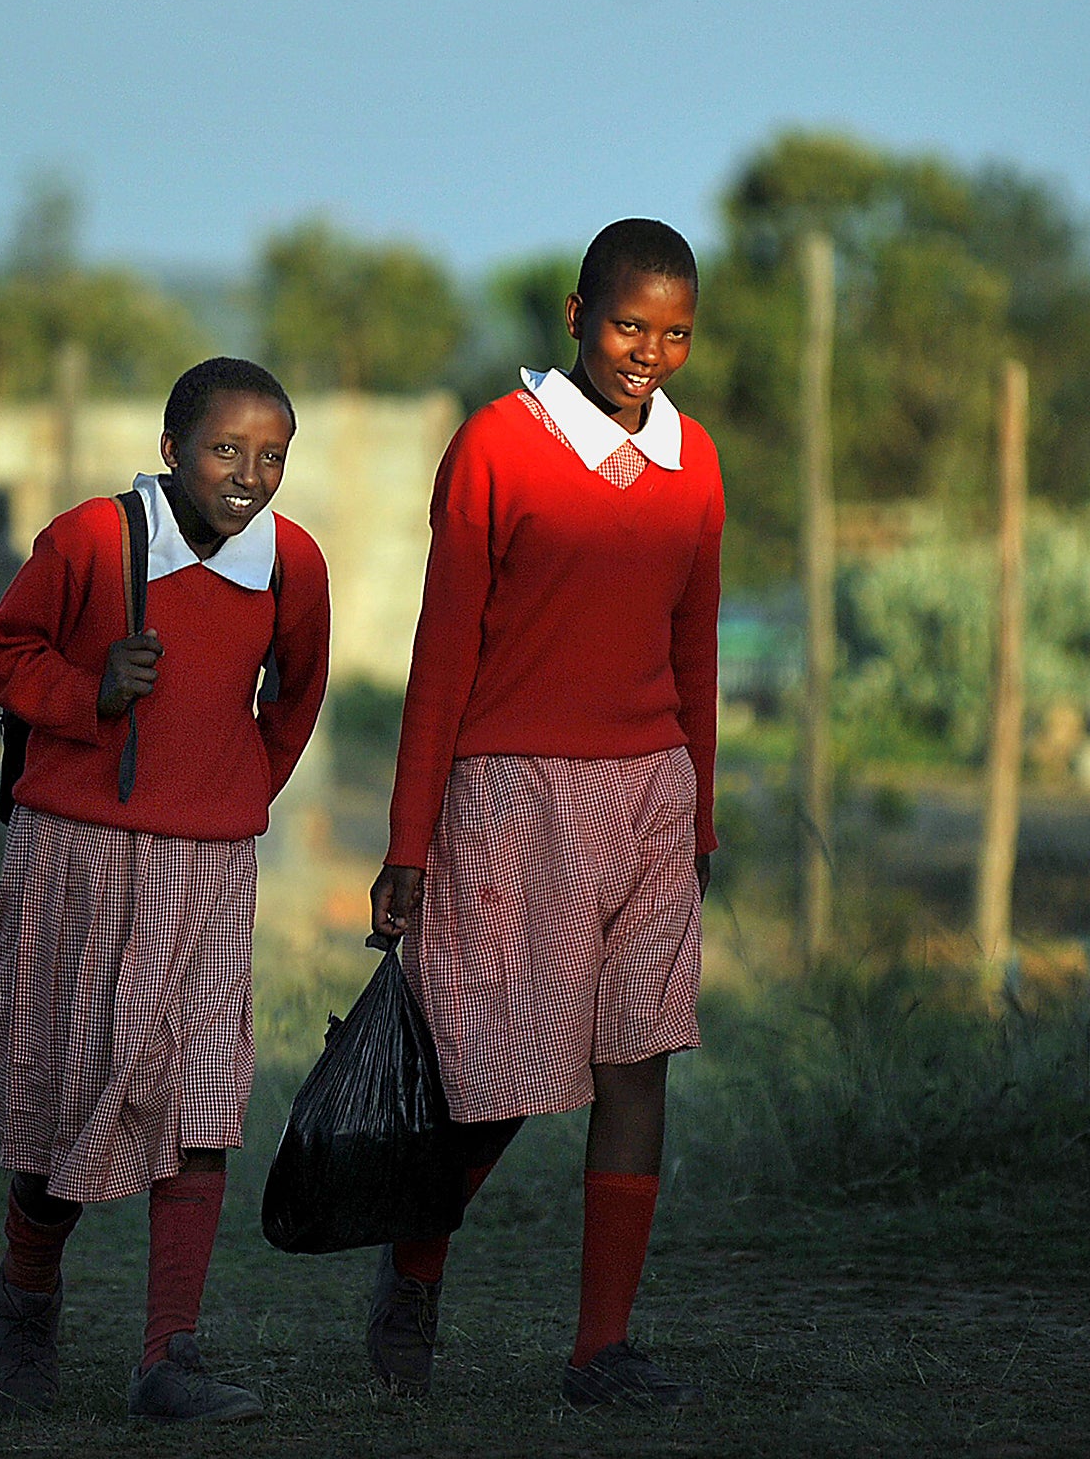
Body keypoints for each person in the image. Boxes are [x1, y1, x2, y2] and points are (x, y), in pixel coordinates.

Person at [367, 218, 722, 1409]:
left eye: (674, 333)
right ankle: (414, 1267)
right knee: (495, 1080)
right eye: (629, 326)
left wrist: (700, 818)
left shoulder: (696, 465)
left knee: (638, 1066)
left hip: (653, 792)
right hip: (513, 796)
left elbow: (694, 652)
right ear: (577, 317)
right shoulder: (494, 451)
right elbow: (442, 654)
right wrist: (407, 844)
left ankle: (599, 1352)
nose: (649, 353)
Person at [0, 356, 329, 1422]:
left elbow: (296, 691)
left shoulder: (290, 562)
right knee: (67, 1090)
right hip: (76, 850)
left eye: (272, 456)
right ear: (172, 450)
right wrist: (88, 693)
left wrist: (236, 784)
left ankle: (167, 1357)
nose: (250, 475)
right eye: (226, 450)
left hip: (209, 862)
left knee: (201, 1097)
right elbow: (1, 649)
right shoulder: (89, 540)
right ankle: (26, 1291)